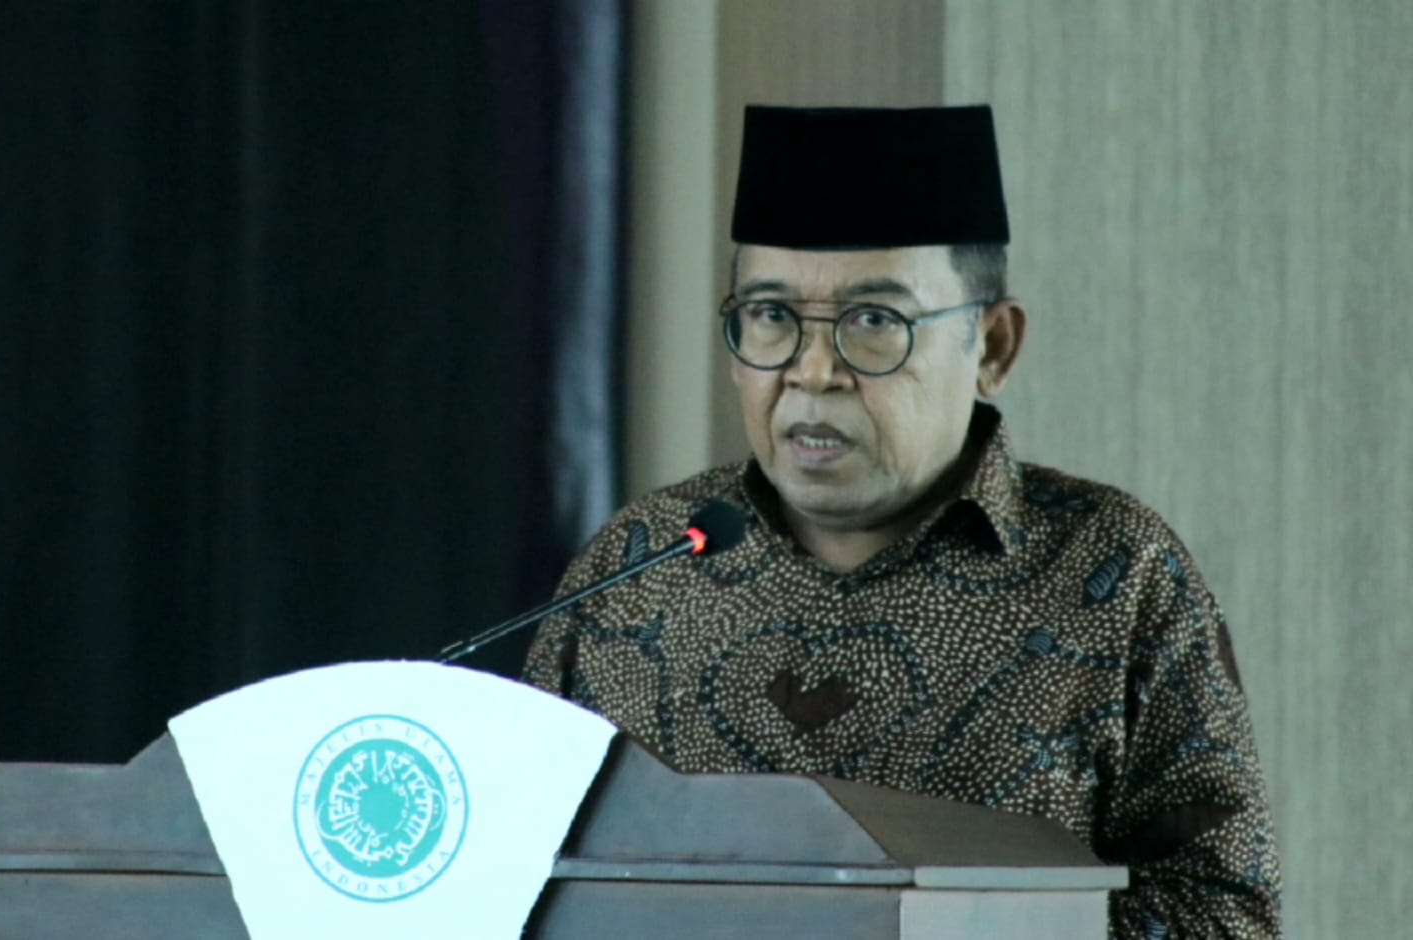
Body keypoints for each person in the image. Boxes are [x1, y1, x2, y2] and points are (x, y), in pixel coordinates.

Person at [523, 105, 1281, 938]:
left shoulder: (1115, 571)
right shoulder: (638, 567)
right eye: (772, 316)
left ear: (992, 345)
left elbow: (1225, 915)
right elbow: (508, 878)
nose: (814, 371)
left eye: (874, 322)